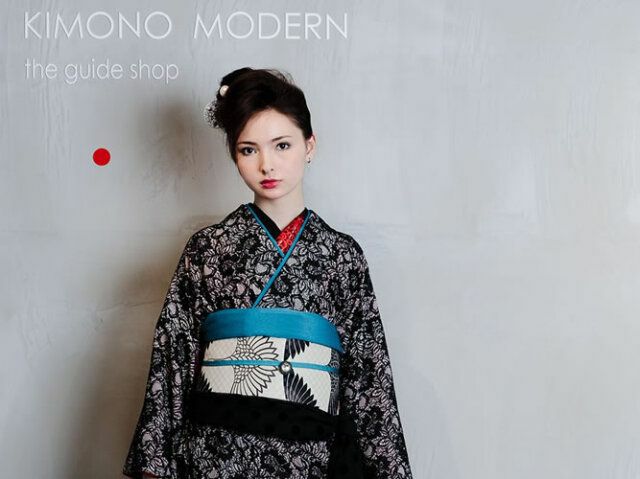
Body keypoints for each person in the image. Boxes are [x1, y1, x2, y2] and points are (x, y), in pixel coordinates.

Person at [122, 67, 413, 479]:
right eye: (248, 150)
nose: (266, 165)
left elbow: (369, 376)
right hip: (214, 454)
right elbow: (172, 361)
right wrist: (156, 464)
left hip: (308, 457)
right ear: (234, 155)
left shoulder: (342, 256)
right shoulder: (207, 249)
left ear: (309, 146)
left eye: (282, 145)